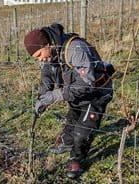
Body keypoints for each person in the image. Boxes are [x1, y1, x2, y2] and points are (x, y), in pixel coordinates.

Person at [24, 23, 114, 179]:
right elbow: (47, 74)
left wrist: (54, 96)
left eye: (39, 54)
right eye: (36, 58)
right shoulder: (52, 53)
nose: (41, 59)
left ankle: (76, 159)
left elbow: (87, 83)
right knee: (72, 121)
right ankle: (66, 141)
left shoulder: (74, 49)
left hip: (97, 94)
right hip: (76, 94)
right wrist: (43, 96)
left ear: (47, 44)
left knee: (82, 132)